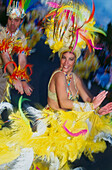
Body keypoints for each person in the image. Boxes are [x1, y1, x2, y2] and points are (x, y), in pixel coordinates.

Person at [0, 1, 112, 170]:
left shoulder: (75, 78)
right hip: (51, 126)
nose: (66, 63)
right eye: (64, 58)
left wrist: (97, 108)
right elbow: (64, 103)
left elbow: (89, 97)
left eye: (71, 59)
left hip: (67, 126)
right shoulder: (58, 76)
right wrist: (90, 106)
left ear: (75, 61)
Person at [0, 0, 33, 103]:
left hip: (4, 71)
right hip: (5, 65)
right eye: (10, 19)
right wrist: (14, 78)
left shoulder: (21, 37)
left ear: (21, 21)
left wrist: (22, 79)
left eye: (16, 20)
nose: (12, 23)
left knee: (3, 96)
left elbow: (22, 59)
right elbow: (5, 56)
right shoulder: (1, 33)